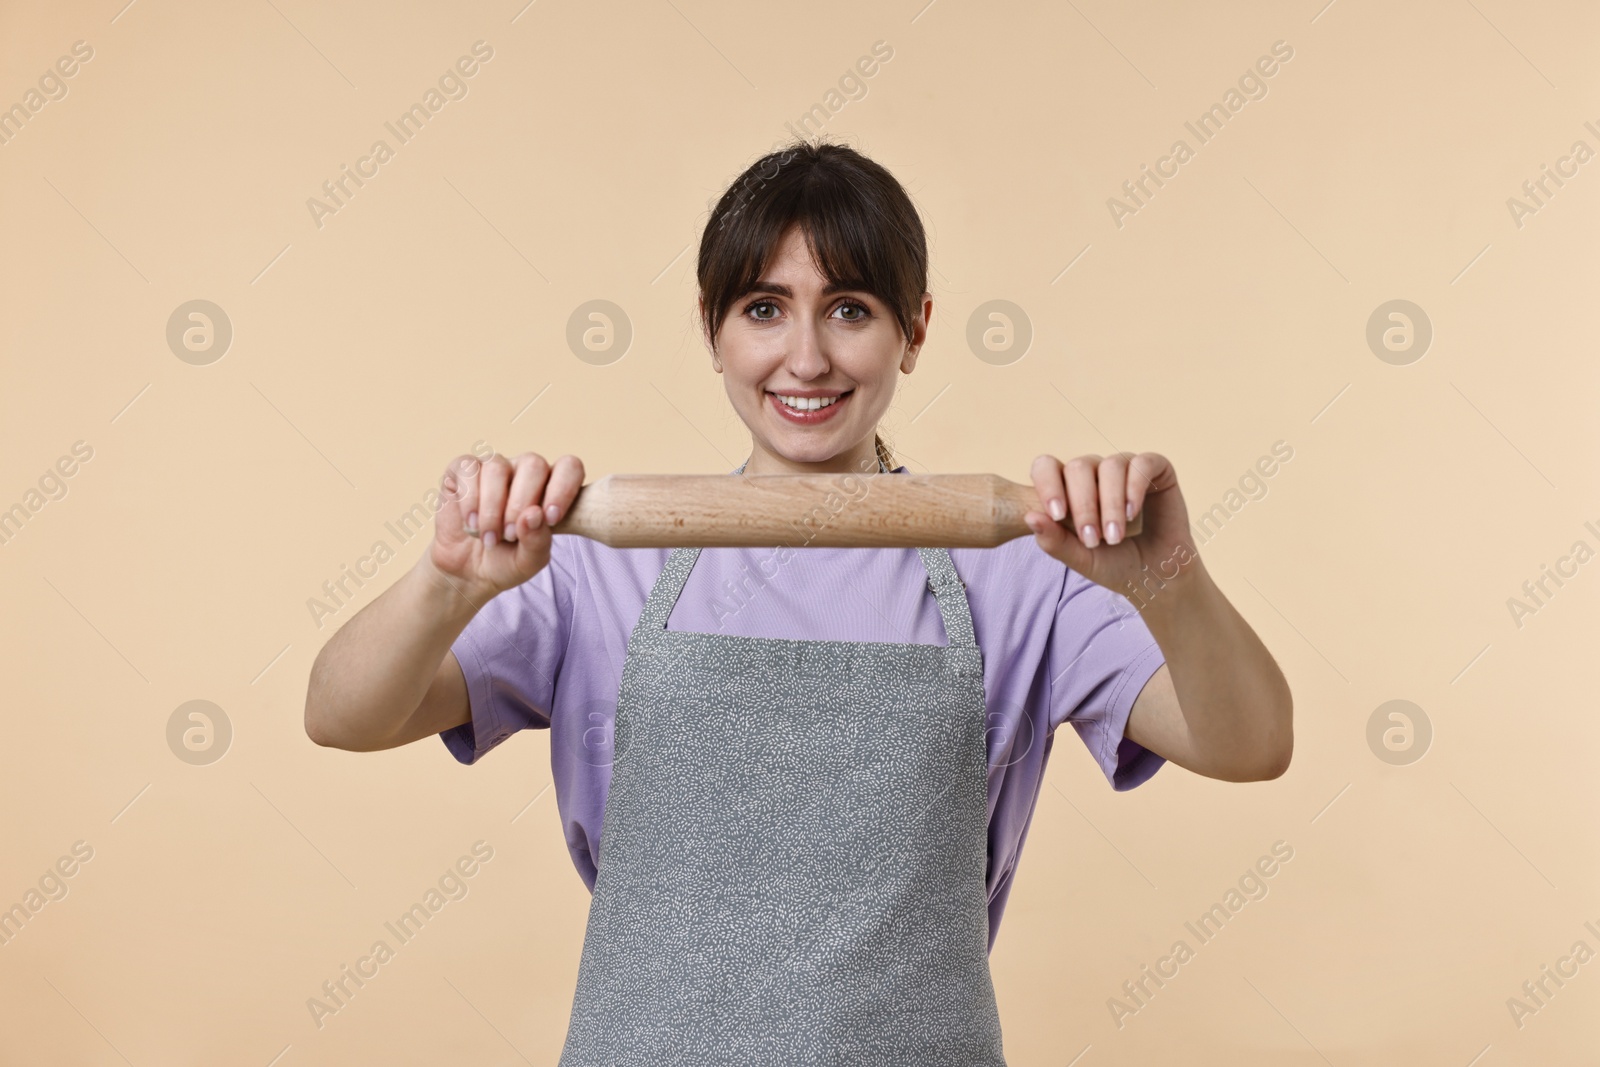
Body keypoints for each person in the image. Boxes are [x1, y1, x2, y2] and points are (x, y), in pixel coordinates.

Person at [304, 140, 1293, 1066]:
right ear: (711, 327)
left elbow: (1249, 743)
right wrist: (448, 583)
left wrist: (1168, 578)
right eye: (765, 308)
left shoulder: (1027, 564)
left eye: (851, 308)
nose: (807, 358)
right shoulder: (600, 559)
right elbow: (343, 714)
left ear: (915, 330)